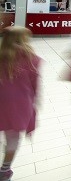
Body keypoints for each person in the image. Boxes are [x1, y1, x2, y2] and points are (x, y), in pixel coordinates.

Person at [0, 27, 42, 181]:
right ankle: (4, 171)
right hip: (19, 105)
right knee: (12, 139)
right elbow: (35, 86)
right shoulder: (32, 59)